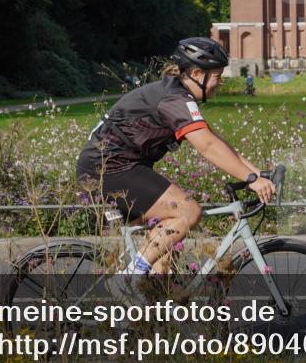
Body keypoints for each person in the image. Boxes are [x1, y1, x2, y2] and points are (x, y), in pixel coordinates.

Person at [76, 37, 276, 277]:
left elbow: (215, 140)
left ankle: (153, 294)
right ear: (197, 74)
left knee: (167, 250)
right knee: (187, 211)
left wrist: (257, 173)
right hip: (108, 169)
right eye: (217, 76)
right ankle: (129, 278)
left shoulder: (177, 94)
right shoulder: (174, 99)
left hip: (118, 166)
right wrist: (251, 179)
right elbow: (207, 146)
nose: (220, 82)